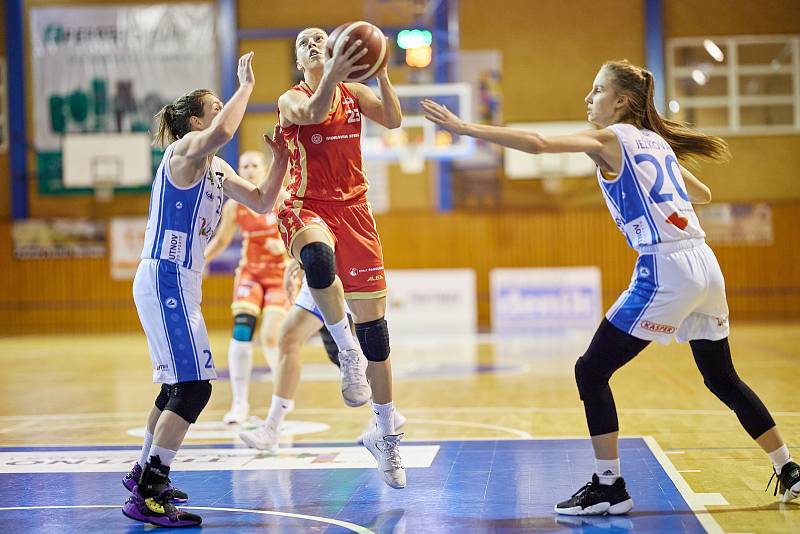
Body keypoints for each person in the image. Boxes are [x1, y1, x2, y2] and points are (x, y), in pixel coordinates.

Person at [422, 59, 800, 515]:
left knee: (590, 371)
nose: (588, 98)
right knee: (722, 377)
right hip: (705, 262)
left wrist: (465, 127)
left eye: (597, 89)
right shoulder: (654, 142)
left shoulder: (611, 138)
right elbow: (703, 195)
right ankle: (789, 468)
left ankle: (609, 486)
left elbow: (540, 144)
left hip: (665, 266)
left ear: (621, 101)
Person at [122, 51, 290, 527]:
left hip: (180, 281)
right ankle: (151, 490)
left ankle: (143, 473)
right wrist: (246, 88)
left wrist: (278, 160)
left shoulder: (216, 171)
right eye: (216, 106)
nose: (225, 111)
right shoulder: (184, 152)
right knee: (194, 388)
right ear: (195, 121)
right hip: (164, 275)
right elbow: (221, 132)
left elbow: (262, 201)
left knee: (177, 385)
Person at [274, 27, 406, 488]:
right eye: (302, 43)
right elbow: (311, 112)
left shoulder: (355, 91)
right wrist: (332, 72)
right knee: (317, 259)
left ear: (331, 48)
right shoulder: (291, 98)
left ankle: (386, 434)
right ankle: (344, 350)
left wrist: (383, 73)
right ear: (300, 60)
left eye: (318, 38)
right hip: (306, 203)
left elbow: (393, 120)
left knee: (379, 337)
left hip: (356, 209)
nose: (311, 43)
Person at [238, 260, 406, 452]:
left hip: (334, 269)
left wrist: (304, 257)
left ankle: (272, 426)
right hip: (326, 267)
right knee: (338, 351)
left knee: (292, 337)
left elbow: (327, 231)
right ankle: (386, 412)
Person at [204, 150, 291, 424]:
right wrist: (198, 262)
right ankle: (239, 404)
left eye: (255, 165)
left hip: (281, 275)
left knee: (270, 336)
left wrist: (285, 246)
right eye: (245, 166)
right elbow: (220, 241)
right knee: (242, 331)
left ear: (265, 168)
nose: (250, 169)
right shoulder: (236, 206)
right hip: (250, 274)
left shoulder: (284, 199)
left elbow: (302, 234)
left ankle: (282, 403)